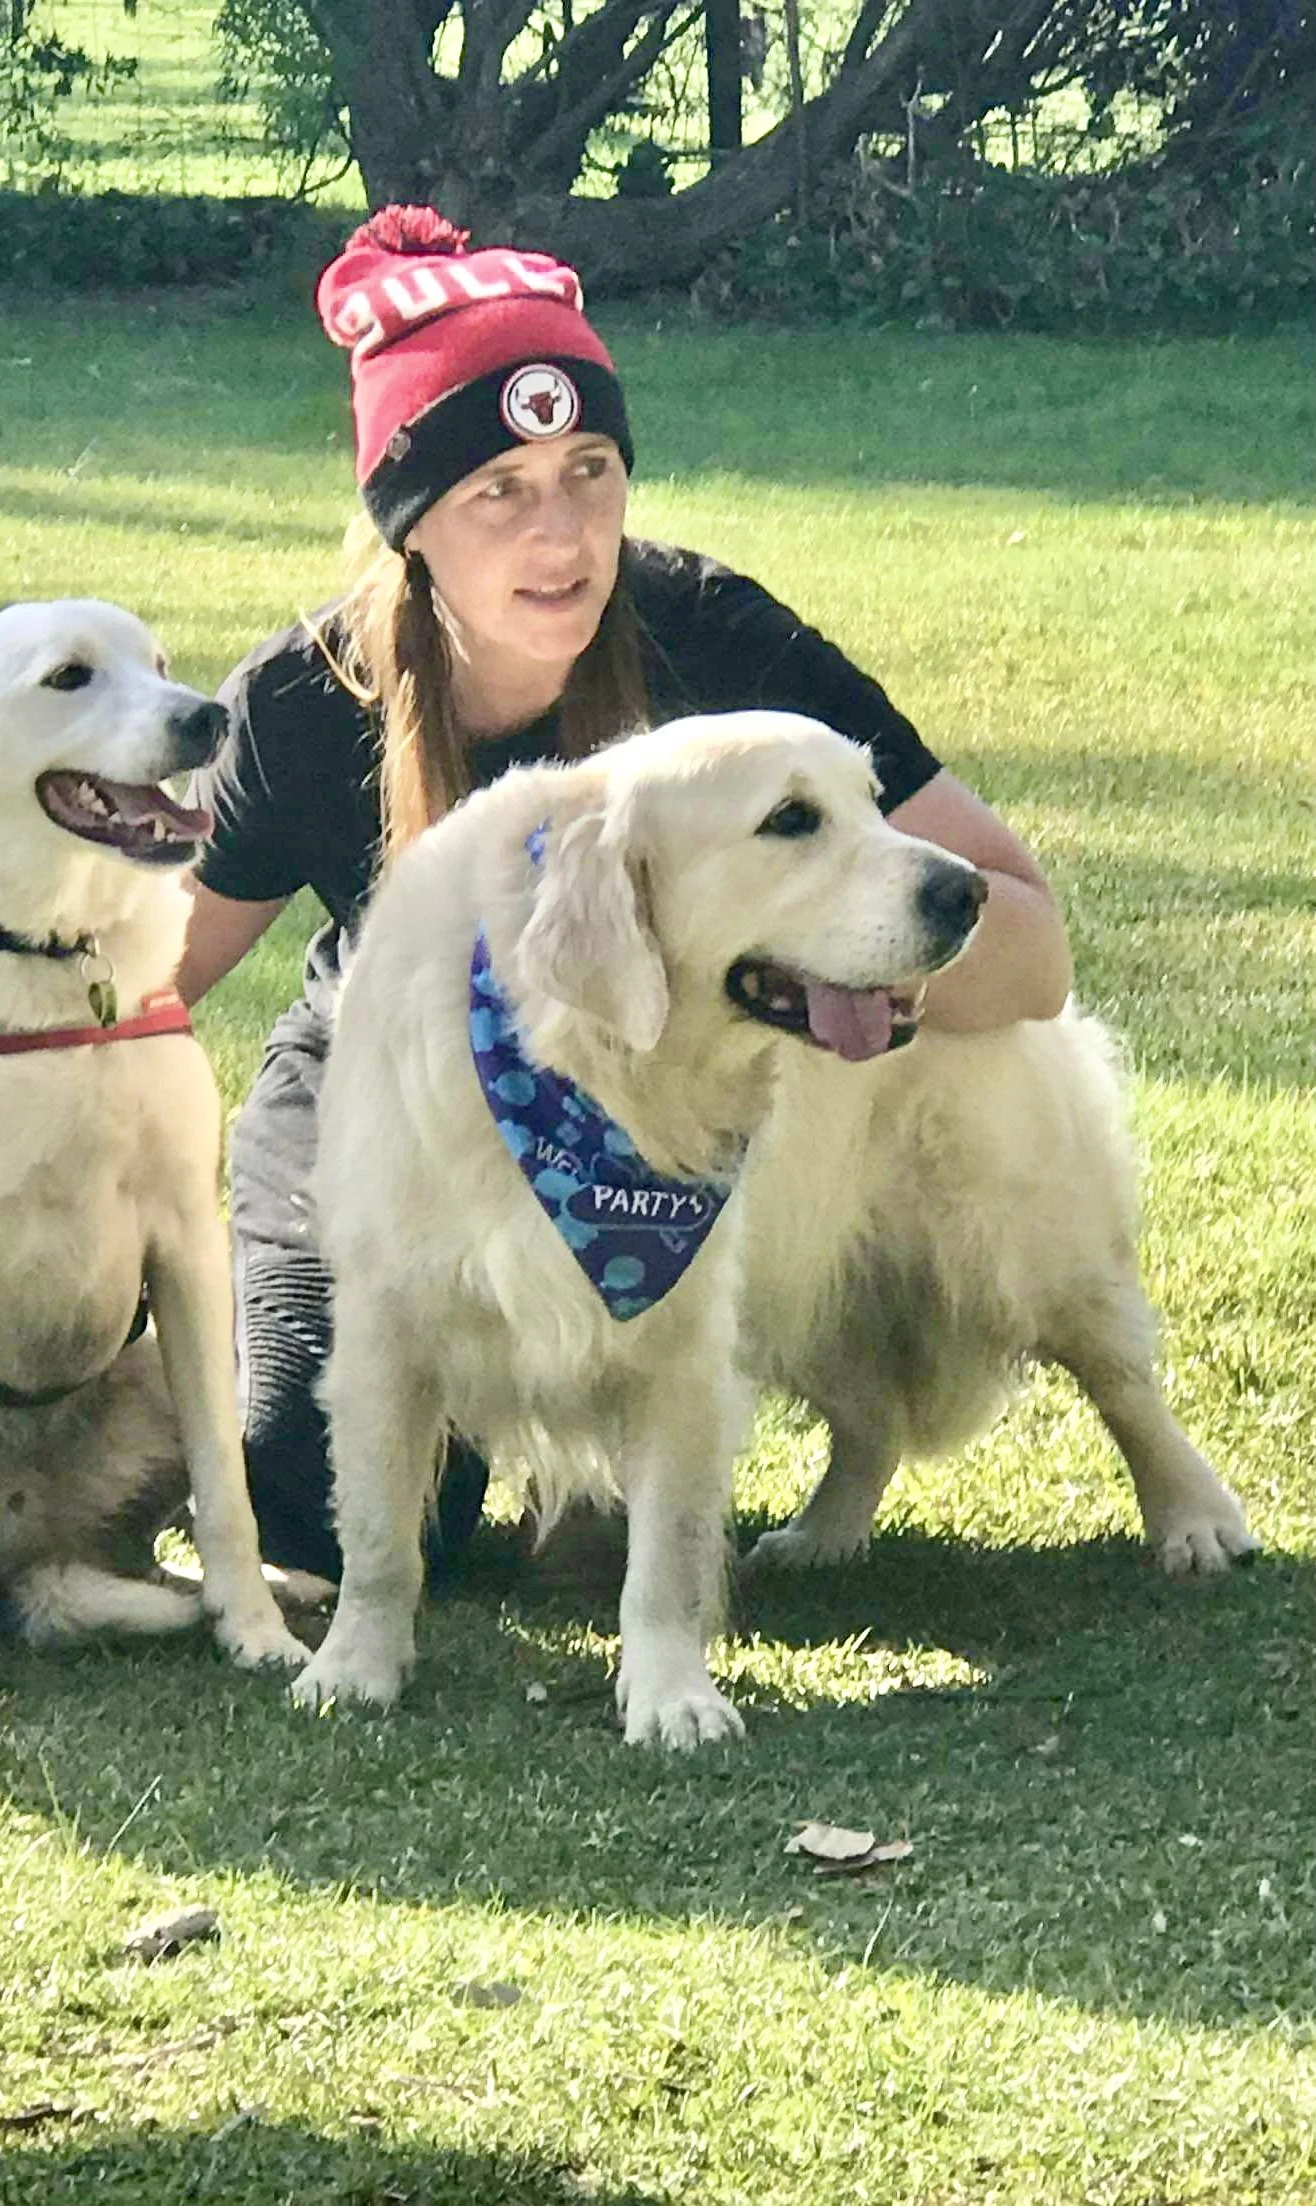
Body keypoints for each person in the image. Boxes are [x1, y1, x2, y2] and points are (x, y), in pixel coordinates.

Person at [175, 204, 1072, 1586]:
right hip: (388, 1096)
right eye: (500, 489)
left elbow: (1032, 955)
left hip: (663, 1097)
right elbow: (138, 986)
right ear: (411, 526)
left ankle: (607, 1449)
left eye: (589, 470)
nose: (562, 533)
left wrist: (831, 950)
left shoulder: (717, 641)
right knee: (304, 1490)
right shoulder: (303, 702)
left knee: (623, 1424)